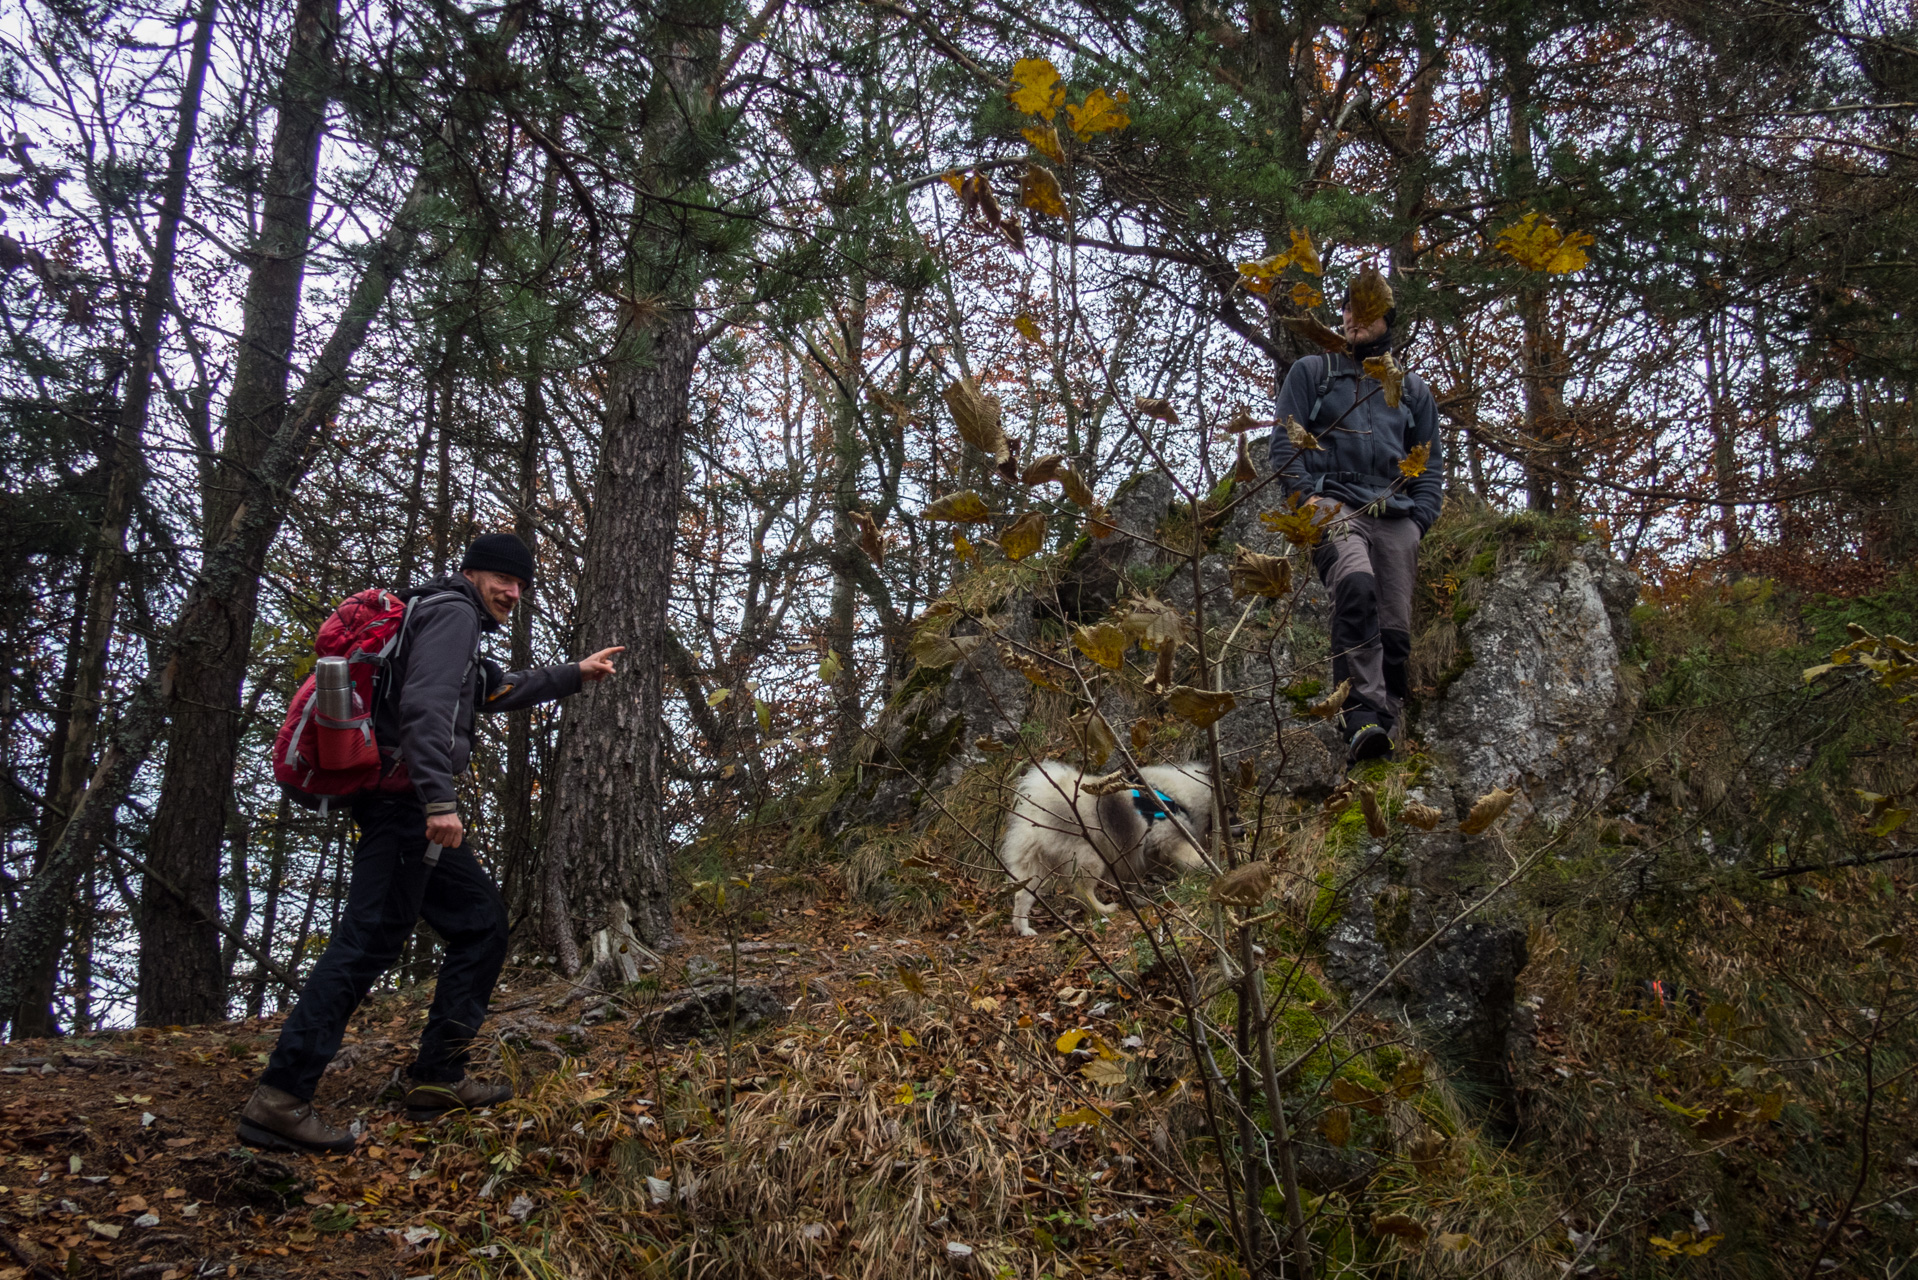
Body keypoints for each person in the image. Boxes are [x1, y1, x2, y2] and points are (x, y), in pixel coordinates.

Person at [237, 532, 623, 1154]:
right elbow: (425, 706)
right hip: (407, 808)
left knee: (480, 924)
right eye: (504, 579)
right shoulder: (452, 614)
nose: (513, 593)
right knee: (367, 943)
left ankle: (439, 1077)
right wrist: (438, 801)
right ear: (473, 573)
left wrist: (571, 675)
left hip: (407, 803)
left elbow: (487, 693)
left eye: (521, 583)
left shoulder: (447, 616)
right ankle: (280, 1097)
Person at [1268, 269, 1441, 763]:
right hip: (1332, 503)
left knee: (1395, 625)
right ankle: (1359, 717)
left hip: (1396, 514)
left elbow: (1429, 464)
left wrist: (1419, 519)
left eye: (1364, 311)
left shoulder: (1411, 391)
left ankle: (1383, 723)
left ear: (1388, 320)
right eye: (1346, 308)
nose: (1351, 317)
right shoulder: (1313, 372)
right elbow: (1286, 440)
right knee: (1356, 585)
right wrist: (1304, 500)